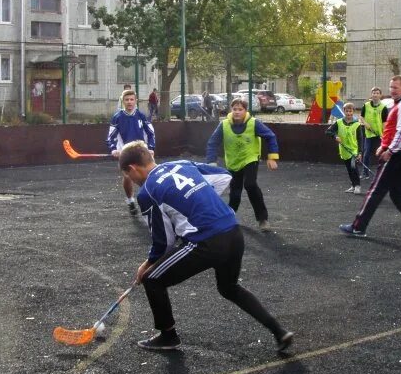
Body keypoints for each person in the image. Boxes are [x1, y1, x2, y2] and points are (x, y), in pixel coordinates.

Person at [119, 140, 294, 353]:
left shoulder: (148, 192)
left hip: (207, 242)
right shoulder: (182, 164)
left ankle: (168, 336)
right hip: (233, 232)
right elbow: (223, 176)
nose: (133, 181)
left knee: (152, 279)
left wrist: (147, 264)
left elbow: (164, 241)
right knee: (229, 288)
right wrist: (199, 200)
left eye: (129, 176)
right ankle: (279, 332)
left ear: (132, 168)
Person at [339, 75, 401, 238]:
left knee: (375, 191)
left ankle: (358, 227)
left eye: (395, 87)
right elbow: (395, 130)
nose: (392, 90)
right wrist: (384, 145)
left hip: (396, 156)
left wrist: (389, 150)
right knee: (397, 193)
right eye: (391, 87)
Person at [205, 97, 279, 232]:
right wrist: (211, 163)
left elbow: (270, 136)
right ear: (231, 110)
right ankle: (230, 217)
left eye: (240, 109)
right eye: (235, 109)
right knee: (235, 192)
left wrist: (272, 157)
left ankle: (262, 219)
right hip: (233, 161)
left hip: (250, 158)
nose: (237, 112)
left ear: (246, 111)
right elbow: (212, 143)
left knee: (250, 184)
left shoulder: (254, 123)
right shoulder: (224, 125)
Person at [107, 88, 156, 215]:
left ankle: (152, 201)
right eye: (127, 100)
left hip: (142, 151)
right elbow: (110, 136)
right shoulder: (117, 117)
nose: (129, 102)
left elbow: (151, 133)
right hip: (126, 152)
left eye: (131, 99)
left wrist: (150, 148)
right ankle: (130, 201)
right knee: (128, 176)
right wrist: (113, 149)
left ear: (136, 101)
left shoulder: (141, 116)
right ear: (123, 101)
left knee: (150, 175)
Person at [326, 102, 363, 194]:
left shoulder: (357, 124)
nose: (349, 113)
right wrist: (335, 136)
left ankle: (357, 186)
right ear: (344, 111)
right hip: (344, 150)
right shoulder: (339, 122)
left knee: (353, 167)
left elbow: (360, 139)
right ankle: (353, 185)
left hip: (353, 150)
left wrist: (360, 152)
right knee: (349, 169)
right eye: (347, 111)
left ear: (353, 112)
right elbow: (328, 131)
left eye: (350, 111)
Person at [359, 87, 388, 179]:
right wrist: (365, 123)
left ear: (380, 95)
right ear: (371, 94)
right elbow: (361, 117)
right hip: (369, 134)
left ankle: (383, 173)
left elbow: (384, 122)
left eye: (377, 93)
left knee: (382, 154)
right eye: (373, 93)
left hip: (380, 135)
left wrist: (384, 134)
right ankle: (365, 173)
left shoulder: (383, 107)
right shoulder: (366, 105)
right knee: (366, 153)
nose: (375, 95)